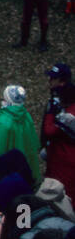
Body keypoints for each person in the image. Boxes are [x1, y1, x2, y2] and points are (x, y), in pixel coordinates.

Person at [0, 84, 42, 183]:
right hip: (26, 171)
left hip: (7, 175)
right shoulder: (27, 116)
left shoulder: (3, 122)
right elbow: (34, 145)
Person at [42, 62, 75, 193]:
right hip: (59, 155)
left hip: (64, 160)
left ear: (62, 82)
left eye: (53, 78)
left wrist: (51, 113)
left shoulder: (69, 114)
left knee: (62, 194)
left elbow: (49, 131)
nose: (49, 81)